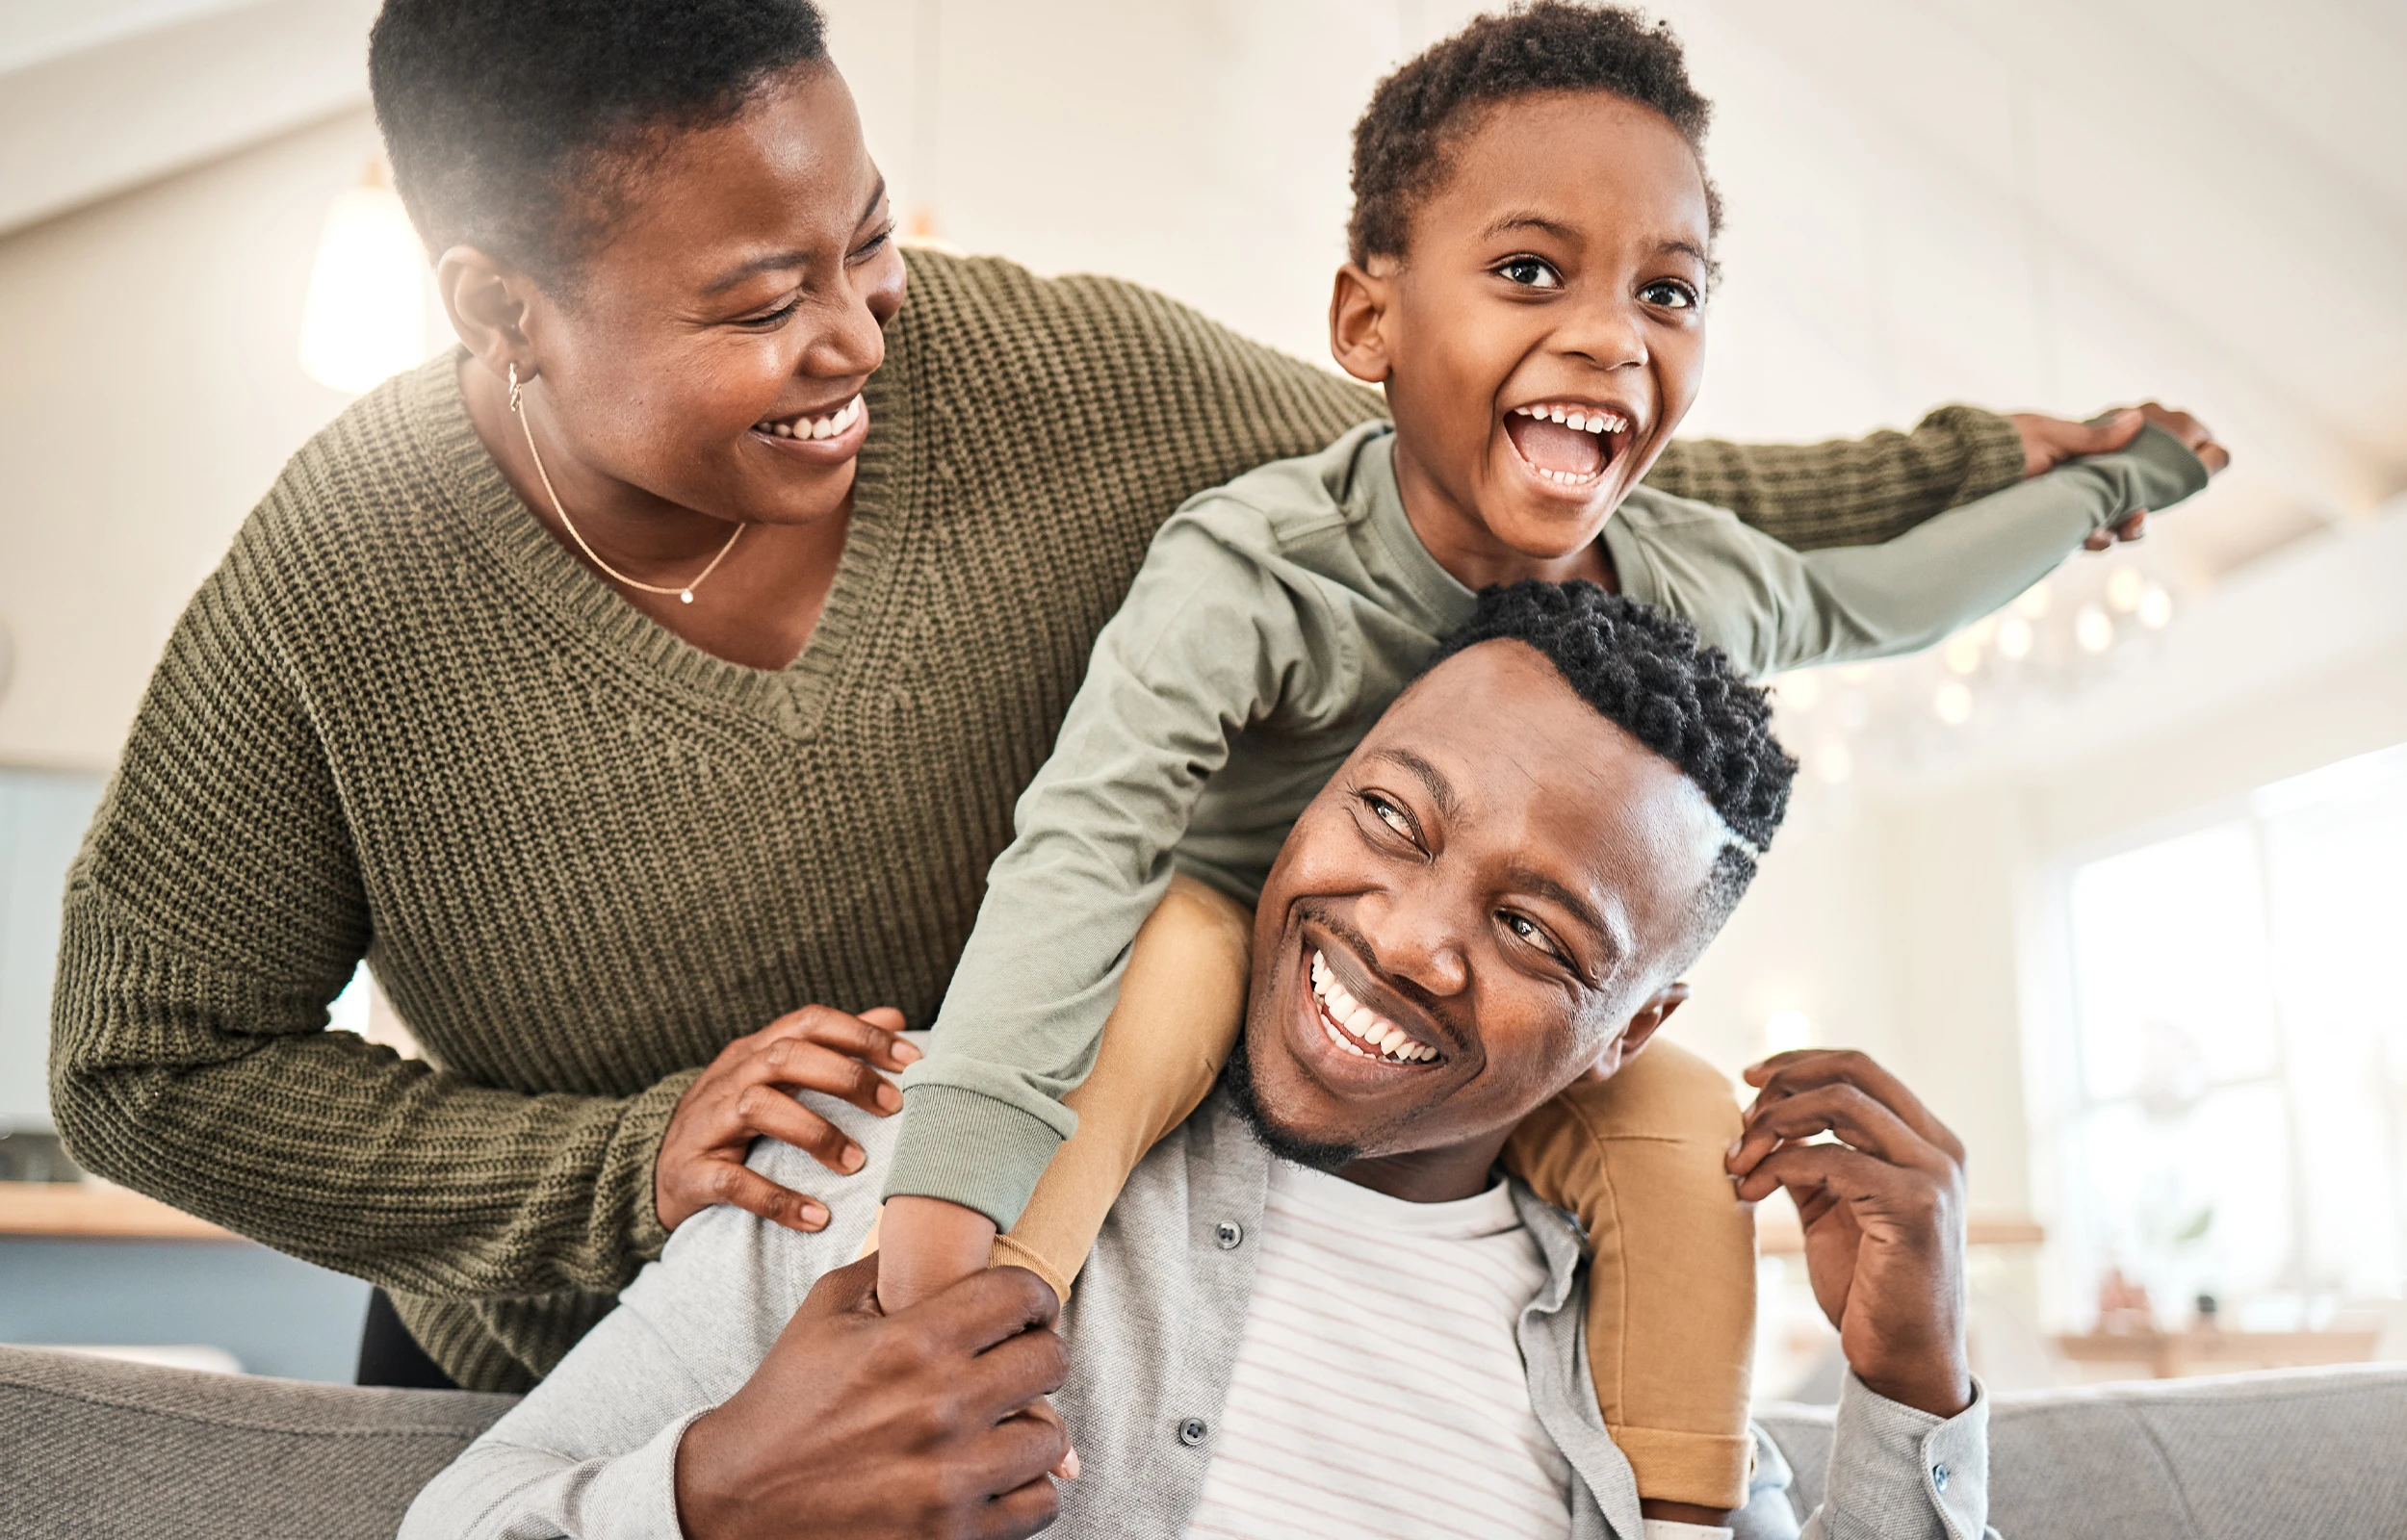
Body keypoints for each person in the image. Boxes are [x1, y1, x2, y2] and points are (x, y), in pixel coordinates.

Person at [50, 0, 2156, 1400]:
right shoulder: (338, 581)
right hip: (559, 1378)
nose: (858, 330)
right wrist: (619, 1164)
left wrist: (1986, 472)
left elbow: (1495, 461)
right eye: (760, 300)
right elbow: (146, 1058)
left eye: (863, 243)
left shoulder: (1053, 380)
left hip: (1024, 1341)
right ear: (499, 311)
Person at [870, 3, 2219, 1519]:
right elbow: (1084, 841)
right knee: (1172, 949)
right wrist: (938, 1200)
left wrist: (2110, 486)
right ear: (1369, 322)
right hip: (1249, 940)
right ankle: (958, 1337)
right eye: (1530, 272)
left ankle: (1687, 1510)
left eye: (1670, 290)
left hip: (1465, 1040)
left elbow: (1883, 597)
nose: (1608, 334)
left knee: (1686, 1124)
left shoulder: (1684, 577)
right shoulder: (1258, 567)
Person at [400, 584, 1994, 1540]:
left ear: (1635, 1032)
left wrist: (1911, 1383)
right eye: (1391, 816)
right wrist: (710, 1499)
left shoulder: (1643, 1340)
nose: (1409, 938)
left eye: (1537, 932)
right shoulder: (945, 1155)